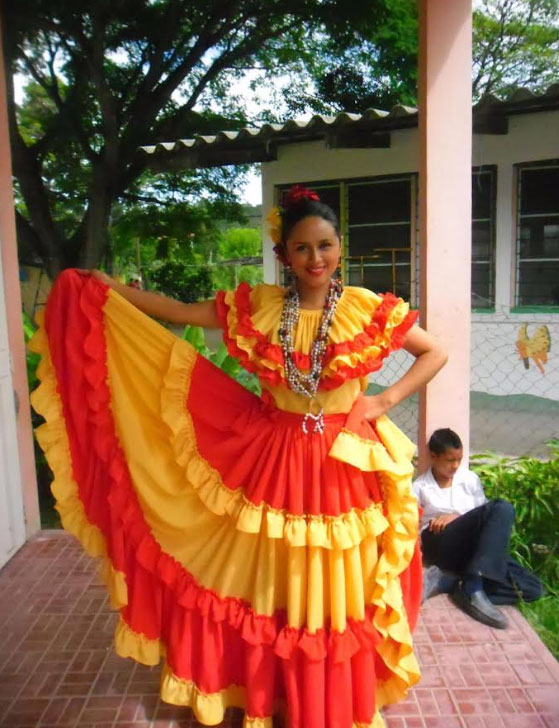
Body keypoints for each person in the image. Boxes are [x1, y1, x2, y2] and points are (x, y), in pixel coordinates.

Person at [30, 185, 447, 728]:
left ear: (340, 247)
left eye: (324, 245)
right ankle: (277, 693)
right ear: (285, 254)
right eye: (301, 248)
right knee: (276, 581)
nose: (315, 258)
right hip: (274, 459)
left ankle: (330, 699)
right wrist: (114, 291)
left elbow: (434, 351)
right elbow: (181, 311)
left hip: (343, 463)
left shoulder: (364, 307)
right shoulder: (262, 308)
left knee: (336, 584)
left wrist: (382, 401)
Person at [413, 428, 543, 630]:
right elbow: (412, 528)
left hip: (471, 550)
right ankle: (473, 586)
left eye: (459, 459)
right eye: (449, 460)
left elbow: (482, 517)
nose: (455, 465)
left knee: (532, 589)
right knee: (501, 507)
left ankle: (455, 583)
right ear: (433, 456)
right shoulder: (420, 487)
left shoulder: (469, 479)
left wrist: (457, 517)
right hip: (439, 541)